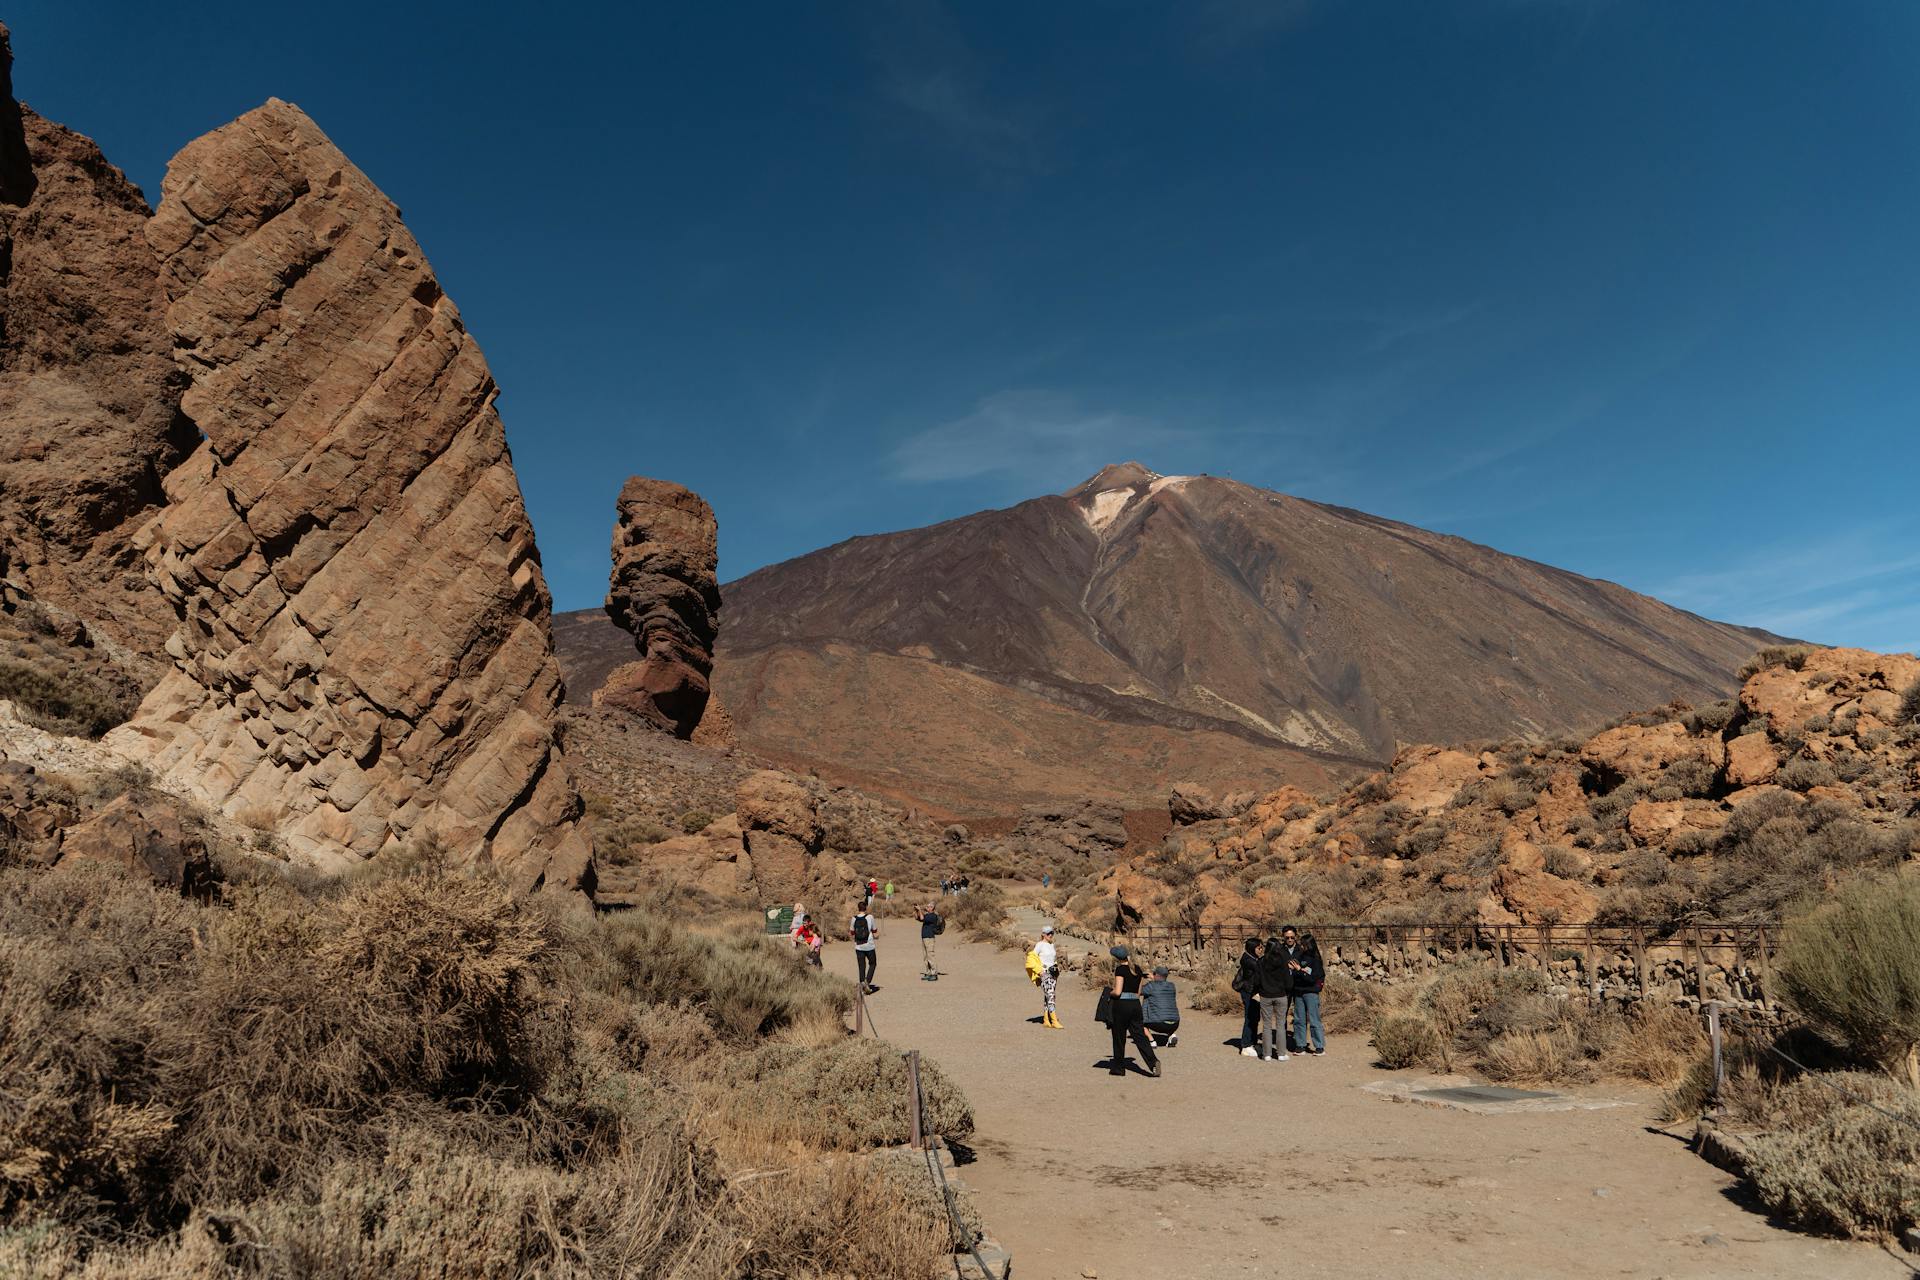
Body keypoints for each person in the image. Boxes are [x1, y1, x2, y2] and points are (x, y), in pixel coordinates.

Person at [1106, 945, 1161, 1077]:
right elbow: (1138, 992)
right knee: (1140, 1036)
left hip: (1121, 1006)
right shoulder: (1137, 968)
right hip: (1135, 1005)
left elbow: (1118, 992)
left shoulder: (1120, 969)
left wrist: (1109, 993)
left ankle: (1119, 1068)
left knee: (1119, 1037)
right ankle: (1153, 1062)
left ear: (1116, 958)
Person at [1254, 934, 1293, 1061]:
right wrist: (1287, 990)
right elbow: (1288, 980)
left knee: (1266, 1025)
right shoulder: (1283, 962)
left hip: (1266, 996)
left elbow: (1257, 980)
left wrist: (1260, 990)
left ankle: (1267, 1054)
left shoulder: (1261, 961)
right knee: (1280, 1025)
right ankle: (1281, 1054)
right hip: (1281, 995)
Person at [1290, 931, 1327, 1055]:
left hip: (1311, 993)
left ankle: (1319, 1046)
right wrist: (1297, 971)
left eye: (1303, 944)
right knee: (1298, 1020)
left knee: (1314, 1020)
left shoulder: (1315, 960)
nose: (1301, 946)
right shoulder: (1299, 957)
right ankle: (1300, 1045)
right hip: (1298, 992)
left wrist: (1300, 971)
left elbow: (1312, 978)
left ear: (1309, 945)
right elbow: (1296, 975)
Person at [1234, 937, 1264, 1057]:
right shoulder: (1249, 960)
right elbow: (1260, 969)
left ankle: (1252, 1042)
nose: (1261, 950)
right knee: (1250, 1017)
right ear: (1252, 948)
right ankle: (1246, 1045)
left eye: (1262, 947)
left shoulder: (1253, 958)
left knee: (1255, 1017)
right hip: (1249, 992)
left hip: (1253, 991)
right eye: (1259, 948)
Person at [1141, 963, 1180, 1048]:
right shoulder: (1172, 986)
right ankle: (1171, 1035)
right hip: (1175, 1023)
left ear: (1157, 975)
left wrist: (1142, 979)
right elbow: (1159, 989)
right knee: (1165, 1010)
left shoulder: (1151, 986)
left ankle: (1152, 1041)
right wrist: (1154, 980)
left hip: (1158, 1023)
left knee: (1140, 1023)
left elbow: (1139, 991)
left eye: (1154, 974)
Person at [1035, 924, 1061, 1028]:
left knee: (1048, 995)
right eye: (1048, 933)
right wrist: (1039, 971)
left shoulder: (1051, 945)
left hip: (1053, 974)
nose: (1050, 935)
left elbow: (1053, 959)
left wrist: (1057, 967)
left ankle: (1046, 1020)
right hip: (1044, 973)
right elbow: (1032, 957)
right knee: (1051, 995)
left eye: (1052, 933)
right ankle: (1054, 1021)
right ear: (1043, 934)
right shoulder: (1039, 945)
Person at [851, 901, 879, 993]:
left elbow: (852, 932)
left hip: (858, 946)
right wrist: (876, 936)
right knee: (873, 963)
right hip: (869, 945)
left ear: (858, 908)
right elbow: (874, 930)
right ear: (866, 908)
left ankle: (862, 984)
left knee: (861, 966)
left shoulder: (854, 918)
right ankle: (867, 982)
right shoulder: (870, 917)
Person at [915, 902, 943, 979]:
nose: (926, 907)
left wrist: (920, 910)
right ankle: (928, 972)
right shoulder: (927, 915)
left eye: (928, 906)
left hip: (929, 938)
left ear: (932, 908)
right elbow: (918, 918)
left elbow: (922, 918)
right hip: (924, 938)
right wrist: (917, 911)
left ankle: (934, 973)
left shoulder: (933, 916)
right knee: (925, 956)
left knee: (930, 956)